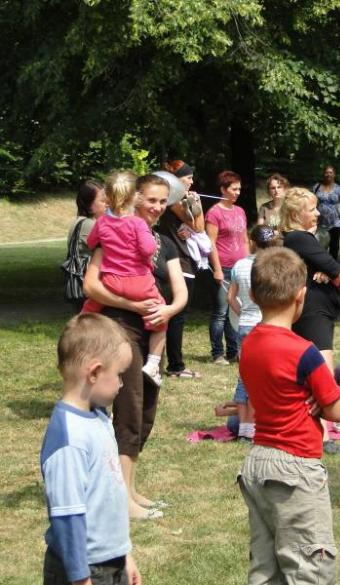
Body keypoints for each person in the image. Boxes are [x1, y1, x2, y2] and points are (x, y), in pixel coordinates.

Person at [84, 173, 188, 520]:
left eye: (163, 201)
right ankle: (121, 500)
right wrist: (134, 306)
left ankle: (128, 487)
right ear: (134, 198)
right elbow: (91, 286)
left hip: (155, 328)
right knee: (129, 405)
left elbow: (180, 291)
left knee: (146, 407)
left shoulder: (166, 243)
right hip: (120, 326)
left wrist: (168, 309)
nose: (158, 207)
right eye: (151, 200)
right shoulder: (113, 232)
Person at [237, 247, 340, 584]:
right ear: (302, 296)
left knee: (266, 568)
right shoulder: (304, 351)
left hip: (258, 462)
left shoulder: (249, 343)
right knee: (310, 566)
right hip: (295, 467)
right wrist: (320, 399)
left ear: (252, 294)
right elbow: (336, 410)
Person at [41, 313, 141, 585]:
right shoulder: (69, 438)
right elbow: (67, 515)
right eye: (119, 375)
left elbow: (111, 498)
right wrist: (80, 579)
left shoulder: (98, 417)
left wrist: (125, 555)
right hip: (84, 569)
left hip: (111, 561)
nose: (121, 384)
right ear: (94, 372)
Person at [281, 188, 340, 454]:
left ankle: (313, 431)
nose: (319, 213)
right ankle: (321, 438)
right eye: (312, 209)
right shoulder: (301, 239)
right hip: (313, 313)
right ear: (297, 214)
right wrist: (333, 274)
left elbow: (332, 272)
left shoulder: (293, 239)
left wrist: (326, 272)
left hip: (310, 310)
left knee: (312, 374)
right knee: (322, 372)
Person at [81, 171, 167, 387]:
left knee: (92, 305)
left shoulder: (101, 222)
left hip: (111, 280)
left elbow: (92, 243)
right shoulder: (137, 223)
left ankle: (81, 328)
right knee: (159, 313)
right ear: (133, 198)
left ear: (108, 196)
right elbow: (148, 249)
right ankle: (153, 363)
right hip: (138, 282)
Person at [226, 225, 281, 442]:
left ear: (252, 242)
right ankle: (264, 424)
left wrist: (242, 314)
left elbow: (231, 298)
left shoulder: (239, 266)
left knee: (244, 377)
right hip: (266, 323)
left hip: (245, 325)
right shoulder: (271, 266)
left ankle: (244, 431)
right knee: (266, 376)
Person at [156, 159, 204, 379]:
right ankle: (175, 366)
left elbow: (193, 227)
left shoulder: (177, 199)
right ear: (177, 179)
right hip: (177, 262)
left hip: (181, 260)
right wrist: (198, 205)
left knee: (174, 315)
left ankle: (167, 362)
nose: (192, 181)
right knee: (177, 315)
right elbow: (199, 225)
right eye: (188, 177)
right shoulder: (174, 199)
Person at [205, 170, 248, 365]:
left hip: (240, 268)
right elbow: (210, 243)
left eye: (239, 188)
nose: (238, 192)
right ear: (223, 189)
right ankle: (217, 353)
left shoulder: (240, 211)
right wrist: (217, 269)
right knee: (221, 312)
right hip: (224, 267)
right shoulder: (214, 213)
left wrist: (248, 263)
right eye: (234, 189)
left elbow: (245, 239)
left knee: (235, 310)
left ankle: (233, 351)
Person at [65, 180, 106, 312]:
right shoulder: (89, 225)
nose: (108, 204)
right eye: (103, 200)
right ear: (90, 205)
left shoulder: (80, 222)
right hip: (90, 288)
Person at [313, 165, 340, 260]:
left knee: (334, 247)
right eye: (326, 172)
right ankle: (322, 267)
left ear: (334, 174)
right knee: (321, 247)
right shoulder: (316, 187)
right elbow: (310, 203)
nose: (328, 174)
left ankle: (333, 268)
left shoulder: (339, 189)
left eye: (330, 172)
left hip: (335, 223)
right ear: (323, 174)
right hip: (320, 223)